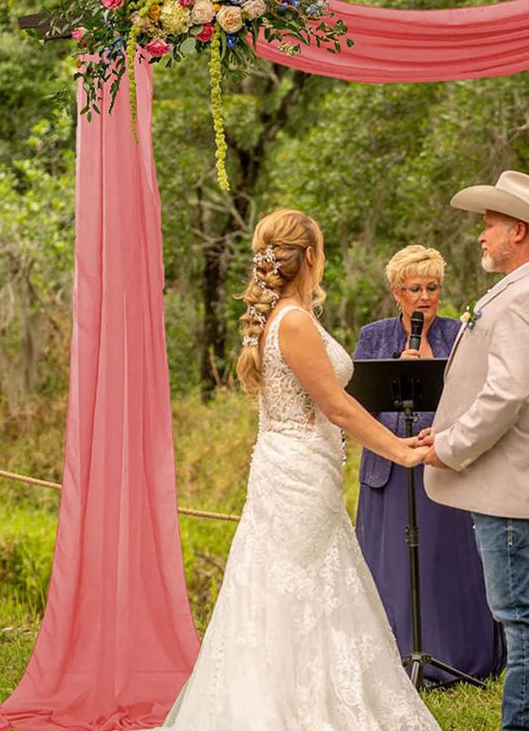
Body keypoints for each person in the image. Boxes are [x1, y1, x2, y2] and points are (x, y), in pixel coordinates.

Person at [141, 209, 440, 731]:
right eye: (321, 252)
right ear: (309, 256)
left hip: (293, 465)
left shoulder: (281, 315)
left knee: (292, 586)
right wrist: (401, 450)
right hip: (298, 472)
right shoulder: (294, 321)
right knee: (304, 588)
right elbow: (338, 407)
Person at [420, 171, 529, 731]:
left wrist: (453, 448)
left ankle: (527, 725)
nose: (481, 236)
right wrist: (441, 433)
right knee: (517, 611)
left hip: (511, 481)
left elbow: (506, 394)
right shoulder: (526, 288)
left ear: (519, 229)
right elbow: (489, 387)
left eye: (489, 225)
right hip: (504, 476)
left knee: (520, 615)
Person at [354, 244, 505, 684]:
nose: (424, 296)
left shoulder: (460, 334)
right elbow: (358, 405)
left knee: (444, 561)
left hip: (443, 462)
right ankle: (392, 659)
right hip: (389, 467)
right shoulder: (373, 336)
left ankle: (456, 656)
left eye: (432, 287)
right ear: (396, 292)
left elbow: (477, 401)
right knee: (391, 565)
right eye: (414, 288)